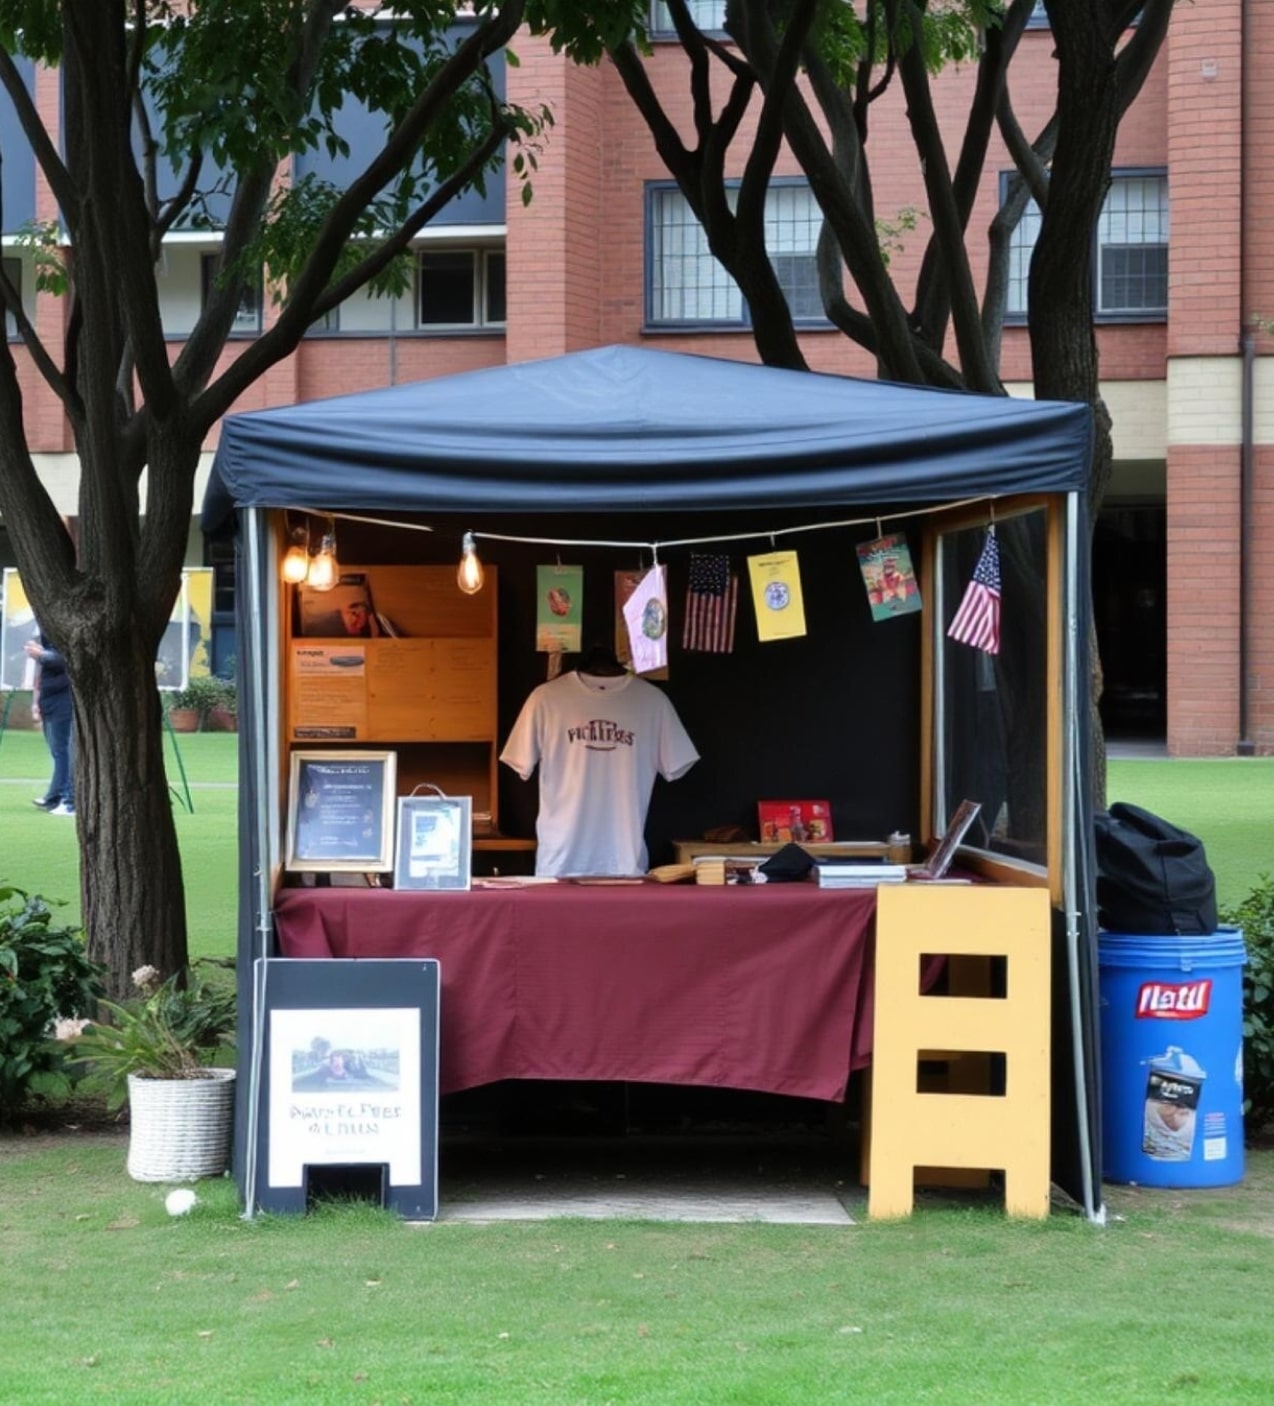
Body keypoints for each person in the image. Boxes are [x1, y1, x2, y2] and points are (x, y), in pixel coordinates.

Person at [25, 632, 74, 816]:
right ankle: (55, 795)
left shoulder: (64, 637)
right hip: (49, 700)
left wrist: (41, 655)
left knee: (65, 751)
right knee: (57, 751)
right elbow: (40, 677)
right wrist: (36, 702)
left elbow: (64, 660)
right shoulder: (47, 637)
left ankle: (68, 799)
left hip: (64, 700)